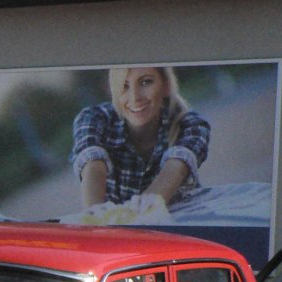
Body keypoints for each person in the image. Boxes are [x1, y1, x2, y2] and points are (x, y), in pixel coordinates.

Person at [70, 66, 210, 217]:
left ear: (166, 85)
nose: (135, 97)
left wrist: (138, 213)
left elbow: (176, 167)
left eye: (145, 82)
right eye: (124, 86)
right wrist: (95, 215)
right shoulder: (94, 118)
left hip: (181, 222)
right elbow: (92, 165)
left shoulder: (190, 123)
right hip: (118, 226)